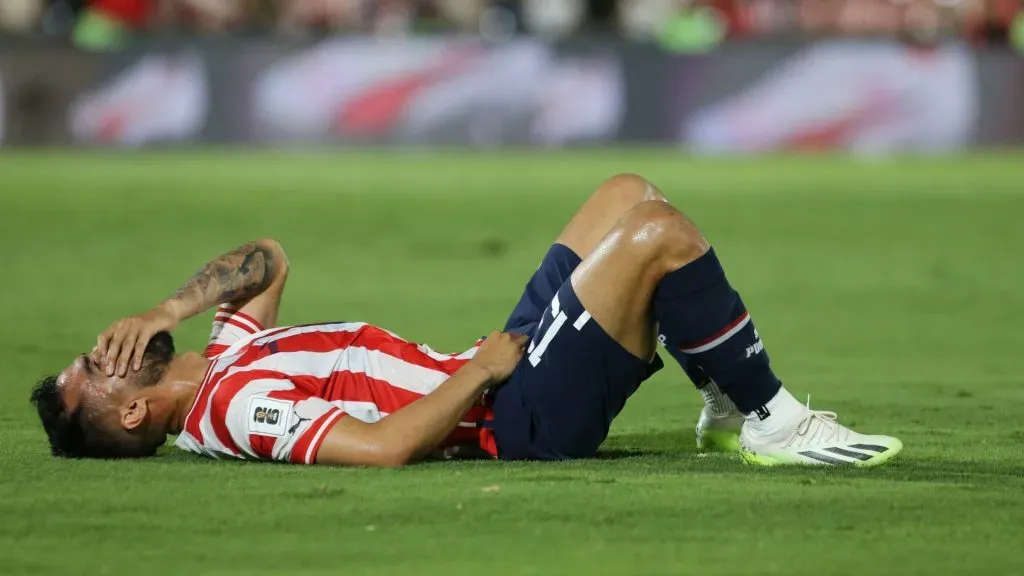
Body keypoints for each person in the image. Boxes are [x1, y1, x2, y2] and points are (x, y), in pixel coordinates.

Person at [30, 174, 902, 467]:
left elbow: (267, 257)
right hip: (511, 417)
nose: (105, 349)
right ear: (132, 412)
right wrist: (481, 372)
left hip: (490, 373)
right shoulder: (230, 412)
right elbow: (380, 451)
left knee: (626, 194)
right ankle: (773, 419)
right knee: (657, 236)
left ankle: (717, 401)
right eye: (95, 368)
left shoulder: (224, 356)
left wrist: (162, 308)